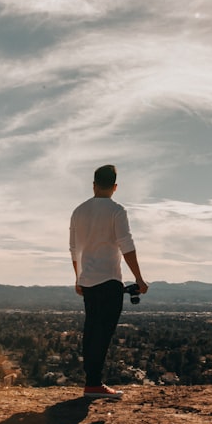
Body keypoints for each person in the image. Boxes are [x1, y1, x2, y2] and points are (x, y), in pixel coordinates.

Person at [69, 164, 148, 399]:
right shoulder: (117, 211)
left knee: (91, 329)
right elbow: (126, 245)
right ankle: (93, 384)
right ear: (115, 187)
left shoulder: (78, 211)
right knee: (103, 333)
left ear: (93, 184)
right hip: (109, 280)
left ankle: (91, 381)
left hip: (89, 282)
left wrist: (78, 278)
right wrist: (139, 278)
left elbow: (74, 249)